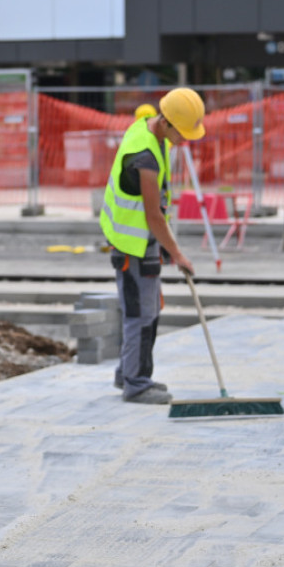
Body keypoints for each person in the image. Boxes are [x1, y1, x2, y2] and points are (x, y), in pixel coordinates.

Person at [100, 87, 205, 404]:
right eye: (182, 133)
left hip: (143, 241)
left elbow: (143, 112)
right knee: (140, 314)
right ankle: (136, 383)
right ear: (167, 123)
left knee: (149, 310)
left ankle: (128, 372)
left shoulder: (148, 126)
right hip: (132, 244)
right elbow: (153, 216)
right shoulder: (145, 158)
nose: (184, 140)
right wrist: (178, 254)